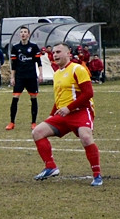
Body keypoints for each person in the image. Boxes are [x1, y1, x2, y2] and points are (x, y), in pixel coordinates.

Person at [32, 42, 103, 186]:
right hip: (64, 114)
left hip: (81, 111)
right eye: (54, 52)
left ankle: (97, 175)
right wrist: (52, 115)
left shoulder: (78, 69)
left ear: (68, 53)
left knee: (86, 136)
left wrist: (69, 108)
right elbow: (59, 99)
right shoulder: (57, 73)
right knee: (37, 132)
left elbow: (88, 93)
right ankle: (50, 167)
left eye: (59, 52)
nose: (55, 55)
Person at [7, 26, 42, 131]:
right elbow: (14, 64)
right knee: (15, 98)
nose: (23, 34)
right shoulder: (15, 47)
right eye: (21, 32)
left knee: (33, 98)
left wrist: (40, 74)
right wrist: (12, 77)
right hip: (20, 77)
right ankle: (12, 122)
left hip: (31, 77)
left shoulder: (34, 47)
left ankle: (34, 123)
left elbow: (39, 62)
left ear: (28, 34)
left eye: (25, 32)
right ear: (19, 34)